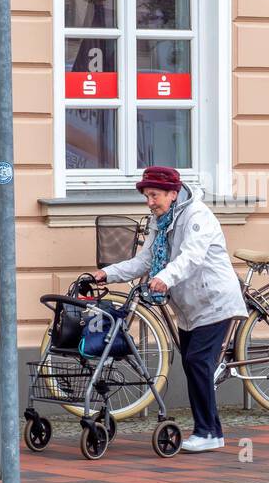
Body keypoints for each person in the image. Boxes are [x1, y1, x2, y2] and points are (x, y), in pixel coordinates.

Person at [94, 166, 247, 452]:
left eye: (154, 195)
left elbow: (191, 256)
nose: (149, 202)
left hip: (214, 301)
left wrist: (165, 277)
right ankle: (211, 431)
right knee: (194, 364)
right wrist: (109, 273)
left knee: (198, 362)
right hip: (190, 307)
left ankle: (207, 432)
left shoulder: (197, 216)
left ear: (173, 194)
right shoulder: (161, 221)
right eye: (147, 196)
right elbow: (145, 260)